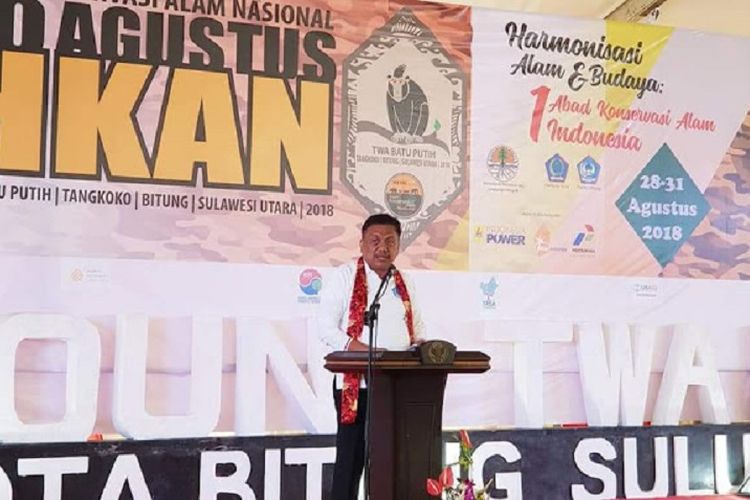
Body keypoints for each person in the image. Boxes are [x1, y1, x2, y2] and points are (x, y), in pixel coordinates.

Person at [317, 213, 425, 500]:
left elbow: (417, 330)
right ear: (362, 244)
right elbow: (326, 329)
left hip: (397, 387)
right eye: (375, 240)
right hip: (358, 386)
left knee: (394, 461)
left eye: (390, 241)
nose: (382, 248)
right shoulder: (344, 276)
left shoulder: (404, 281)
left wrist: (423, 346)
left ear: (399, 245)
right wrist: (368, 352)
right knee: (351, 461)